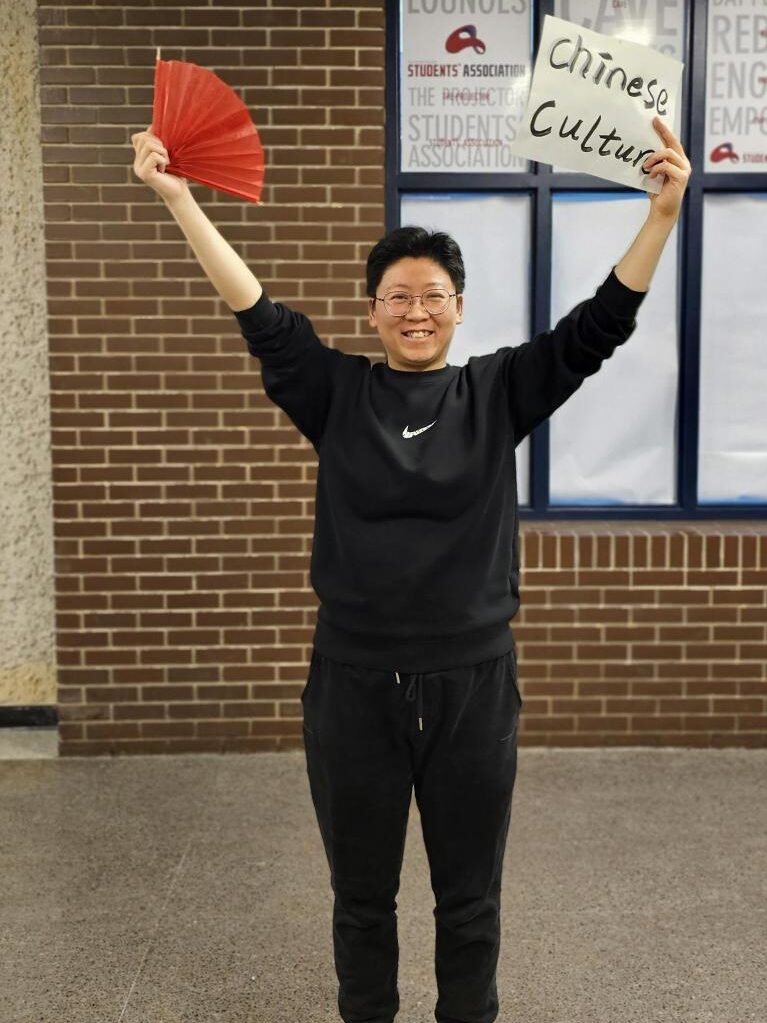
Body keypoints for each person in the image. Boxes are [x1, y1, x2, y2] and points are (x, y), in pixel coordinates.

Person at [131, 117, 687, 1023]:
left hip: (473, 682)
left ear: (459, 308)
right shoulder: (335, 392)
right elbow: (259, 314)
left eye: (432, 294)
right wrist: (179, 198)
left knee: (469, 901)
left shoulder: (495, 390)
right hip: (351, 683)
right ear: (372, 311)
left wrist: (660, 213)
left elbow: (596, 328)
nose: (415, 310)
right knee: (361, 901)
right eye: (396, 295)